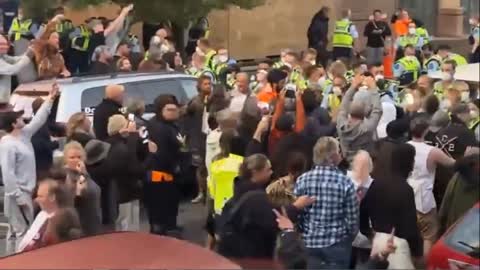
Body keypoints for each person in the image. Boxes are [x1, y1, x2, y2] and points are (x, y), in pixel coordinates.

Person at [217, 154, 315, 259]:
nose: (271, 172)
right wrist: (297, 206)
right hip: (251, 256)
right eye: (268, 170)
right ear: (255, 172)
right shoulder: (254, 198)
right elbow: (275, 216)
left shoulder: (241, 190)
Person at [0, 83, 59, 255]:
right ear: (13, 123)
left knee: (17, 231)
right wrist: (17, 195)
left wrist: (51, 98)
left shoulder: (24, 135)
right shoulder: (8, 144)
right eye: (19, 118)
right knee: (22, 232)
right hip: (17, 194)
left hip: (25, 191)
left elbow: (38, 120)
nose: (23, 119)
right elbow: (7, 172)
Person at [294, 137, 359, 269]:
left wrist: (303, 231)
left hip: (309, 241)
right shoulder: (345, 182)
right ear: (333, 156)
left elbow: (298, 212)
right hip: (337, 243)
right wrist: (347, 236)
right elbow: (352, 219)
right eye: (339, 151)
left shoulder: (302, 180)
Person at [360, 143, 423, 269]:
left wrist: (368, 232)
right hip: (397, 245)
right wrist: (417, 251)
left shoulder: (376, 183)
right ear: (409, 163)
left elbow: (362, 210)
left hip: (378, 242)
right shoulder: (406, 189)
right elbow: (410, 225)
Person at [407, 116, 456, 256]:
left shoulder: (405, 146)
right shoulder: (432, 151)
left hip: (407, 193)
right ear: (426, 131)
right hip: (424, 198)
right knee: (429, 234)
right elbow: (452, 163)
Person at [144, 95, 183, 235]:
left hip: (171, 171)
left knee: (171, 201)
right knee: (161, 203)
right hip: (160, 173)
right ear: (161, 110)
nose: (173, 112)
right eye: (169, 109)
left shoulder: (171, 125)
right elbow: (162, 153)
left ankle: (169, 225)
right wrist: (174, 166)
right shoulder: (159, 128)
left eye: (175, 109)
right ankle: (161, 229)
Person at [105, 114, 145, 231]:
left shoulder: (109, 143)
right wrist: (133, 137)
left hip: (120, 192)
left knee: (125, 223)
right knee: (128, 225)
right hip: (126, 192)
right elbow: (133, 165)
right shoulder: (120, 147)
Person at [17, 179, 74, 253]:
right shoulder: (41, 214)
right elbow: (28, 238)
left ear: (52, 197)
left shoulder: (60, 221)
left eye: (40, 196)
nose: (36, 200)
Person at [337, 74, 383, 163]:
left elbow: (343, 107)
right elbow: (378, 110)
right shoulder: (367, 128)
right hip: (365, 165)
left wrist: (353, 86)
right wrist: (373, 88)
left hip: (346, 164)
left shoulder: (341, 125)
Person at [62, 141, 102, 236]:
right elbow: (69, 203)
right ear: (65, 159)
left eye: (79, 157)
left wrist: (83, 173)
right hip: (80, 228)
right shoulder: (66, 176)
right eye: (72, 157)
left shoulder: (84, 173)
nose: (76, 160)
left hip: (94, 222)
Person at [184, 75, 212, 204]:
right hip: (198, 137)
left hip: (212, 137)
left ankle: (211, 192)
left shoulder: (214, 99)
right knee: (200, 167)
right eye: (205, 84)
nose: (208, 86)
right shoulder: (195, 102)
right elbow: (185, 117)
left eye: (209, 84)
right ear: (199, 86)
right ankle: (201, 192)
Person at [438, 153, 479, 234]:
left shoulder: (457, 177)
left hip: (454, 228)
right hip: (473, 232)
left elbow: (446, 200)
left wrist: (441, 219)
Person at [0, 35, 35, 104]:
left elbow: (16, 60)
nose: (6, 47)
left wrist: (29, 50)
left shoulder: (2, 57)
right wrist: (28, 56)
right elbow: (14, 69)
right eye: (2, 45)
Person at [31, 98, 59, 179]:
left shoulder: (41, 122)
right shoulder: (38, 125)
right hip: (42, 164)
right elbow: (40, 144)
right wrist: (56, 144)